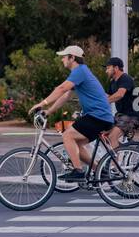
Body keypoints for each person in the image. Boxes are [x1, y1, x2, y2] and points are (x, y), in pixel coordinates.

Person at [30, 46, 115, 182]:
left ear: (72, 58)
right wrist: (49, 111)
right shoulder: (81, 72)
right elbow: (65, 95)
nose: (62, 59)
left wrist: (42, 103)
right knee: (77, 145)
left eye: (64, 56)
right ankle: (99, 170)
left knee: (68, 135)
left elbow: (61, 88)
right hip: (99, 117)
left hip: (98, 116)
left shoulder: (79, 71)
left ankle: (78, 171)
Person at [105, 56, 138, 147]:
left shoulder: (125, 78)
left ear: (116, 68)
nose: (106, 71)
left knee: (112, 137)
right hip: (120, 115)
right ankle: (123, 149)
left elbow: (120, 94)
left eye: (108, 68)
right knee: (104, 133)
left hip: (131, 116)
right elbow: (106, 96)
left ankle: (115, 161)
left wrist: (104, 102)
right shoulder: (113, 82)